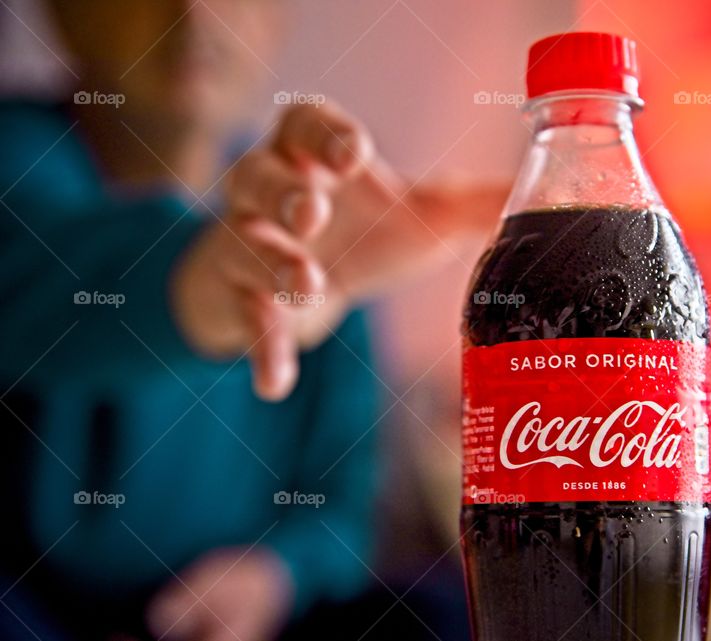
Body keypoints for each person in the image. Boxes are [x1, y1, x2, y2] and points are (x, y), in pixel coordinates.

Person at [0, 1, 504, 639]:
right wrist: (205, 283)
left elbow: (343, 505)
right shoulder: (19, 160)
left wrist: (276, 575)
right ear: (67, 13)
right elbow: (42, 278)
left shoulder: (311, 211)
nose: (195, 15)